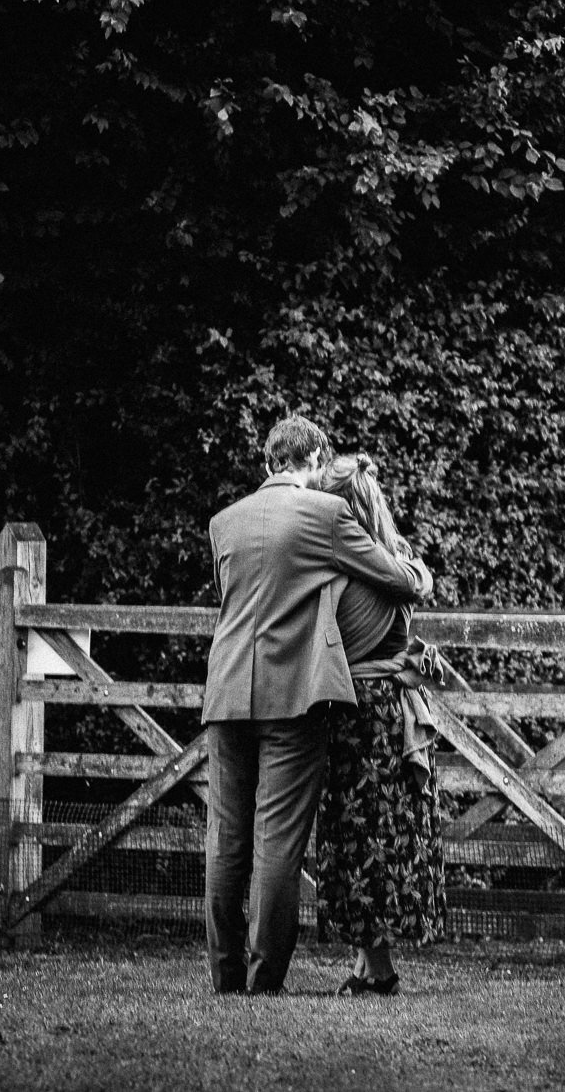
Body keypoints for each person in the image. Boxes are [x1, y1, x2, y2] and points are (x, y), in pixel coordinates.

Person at [203, 414, 433, 996]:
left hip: (226, 691)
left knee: (227, 838)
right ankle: (263, 979)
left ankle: (225, 974)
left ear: (266, 463)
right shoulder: (327, 516)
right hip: (291, 699)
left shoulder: (223, 523)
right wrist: (418, 572)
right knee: (277, 839)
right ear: (317, 457)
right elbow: (397, 579)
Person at [308, 453, 449, 996]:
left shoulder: (354, 569)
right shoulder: (398, 559)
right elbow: (416, 583)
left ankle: (379, 969)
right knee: (379, 832)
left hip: (362, 710)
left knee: (363, 833)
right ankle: (368, 966)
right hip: (392, 706)